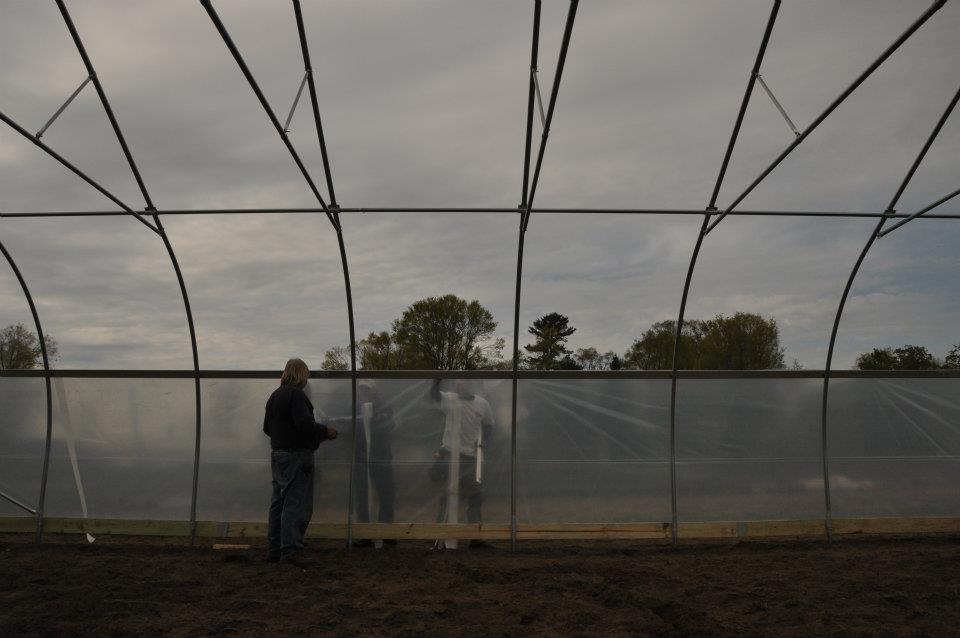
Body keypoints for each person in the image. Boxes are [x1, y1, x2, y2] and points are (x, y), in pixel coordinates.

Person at [263, 358, 337, 566]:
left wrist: (282, 437)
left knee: (279, 502)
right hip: (297, 457)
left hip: (278, 455)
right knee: (296, 503)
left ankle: (274, 549)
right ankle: (292, 551)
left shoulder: (275, 396)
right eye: (307, 374)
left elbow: (267, 429)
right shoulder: (297, 395)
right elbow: (305, 424)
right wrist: (326, 432)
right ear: (301, 375)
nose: (308, 379)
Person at [429, 378, 494, 549]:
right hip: (450, 454)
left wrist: (484, 440)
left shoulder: (482, 404)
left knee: (475, 496)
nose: (459, 385)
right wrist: (436, 381)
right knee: (448, 495)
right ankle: (440, 537)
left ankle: (476, 537)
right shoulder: (450, 399)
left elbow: (488, 425)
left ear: (471, 385)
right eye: (457, 383)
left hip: (471, 457)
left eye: (463, 382)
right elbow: (435, 396)